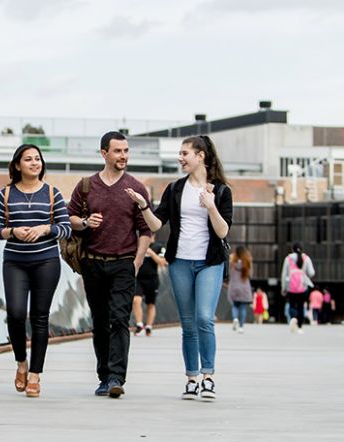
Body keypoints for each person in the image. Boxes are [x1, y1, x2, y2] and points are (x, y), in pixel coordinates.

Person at [126, 135, 232, 401]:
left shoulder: (220, 191)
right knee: (188, 324)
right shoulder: (175, 189)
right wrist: (143, 206)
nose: (180, 158)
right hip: (180, 262)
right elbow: (155, 225)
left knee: (204, 318)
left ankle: (208, 377)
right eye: (180, 153)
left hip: (210, 262)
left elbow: (223, 231)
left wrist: (210, 207)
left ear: (201, 156)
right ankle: (191, 378)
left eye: (185, 153)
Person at [67, 131, 152, 399]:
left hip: (124, 264)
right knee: (100, 322)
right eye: (118, 151)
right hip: (92, 263)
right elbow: (68, 217)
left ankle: (116, 377)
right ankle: (104, 376)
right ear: (104, 153)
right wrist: (83, 222)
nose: (123, 156)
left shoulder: (136, 188)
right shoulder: (86, 186)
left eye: (126, 151)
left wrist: (137, 261)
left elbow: (146, 230)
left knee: (119, 320)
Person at [0, 144, 72, 398]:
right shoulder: (5, 194)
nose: (34, 163)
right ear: (17, 165)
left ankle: (35, 375)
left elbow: (66, 228)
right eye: (28, 159)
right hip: (14, 261)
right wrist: (12, 232)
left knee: (39, 317)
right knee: (14, 314)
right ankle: (21, 363)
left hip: (46, 262)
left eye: (38, 159)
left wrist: (46, 229)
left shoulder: (52, 194)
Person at [133, 234, 166, 336]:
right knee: (136, 300)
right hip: (138, 278)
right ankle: (139, 324)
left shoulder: (159, 247)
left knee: (150, 304)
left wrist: (151, 253)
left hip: (152, 279)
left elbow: (162, 262)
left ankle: (149, 326)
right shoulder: (137, 246)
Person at [280, 242, 315, 334]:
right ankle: (300, 326)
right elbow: (312, 273)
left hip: (291, 287)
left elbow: (284, 275)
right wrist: (304, 275)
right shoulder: (306, 258)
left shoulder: (288, 259)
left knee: (292, 304)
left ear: (292, 249)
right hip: (302, 286)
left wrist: (284, 287)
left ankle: (293, 317)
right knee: (300, 306)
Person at [227, 246, 253, 334]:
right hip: (244, 287)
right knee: (242, 308)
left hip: (234, 286)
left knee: (235, 305)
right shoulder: (247, 262)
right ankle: (241, 327)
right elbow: (250, 275)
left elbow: (229, 273)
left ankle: (235, 318)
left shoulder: (232, 261)